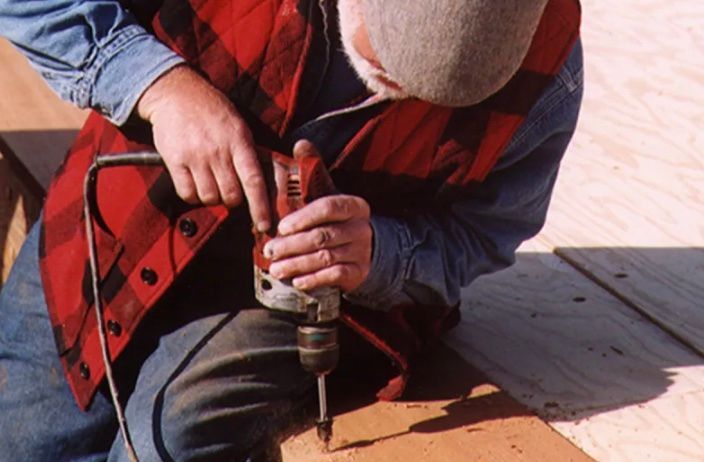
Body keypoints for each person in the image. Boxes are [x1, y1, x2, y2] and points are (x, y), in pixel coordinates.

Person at [0, 0, 583, 460]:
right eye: (380, 65)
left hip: (318, 302)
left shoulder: (549, 77)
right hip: (120, 227)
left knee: (166, 438)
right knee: (22, 435)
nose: (387, 97)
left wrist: (379, 255)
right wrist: (156, 85)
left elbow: (483, 234)